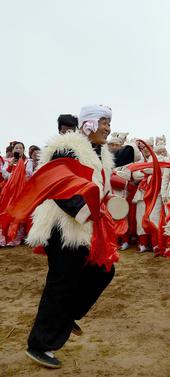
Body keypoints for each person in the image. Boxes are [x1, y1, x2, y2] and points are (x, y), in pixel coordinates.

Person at [25, 104, 117, 368]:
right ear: (88, 123)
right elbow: (57, 185)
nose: (108, 129)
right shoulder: (67, 148)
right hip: (62, 227)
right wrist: (83, 211)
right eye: (104, 123)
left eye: (109, 124)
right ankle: (40, 345)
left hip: (86, 228)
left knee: (103, 271)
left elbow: (99, 189)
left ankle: (67, 316)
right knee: (61, 284)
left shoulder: (101, 155)